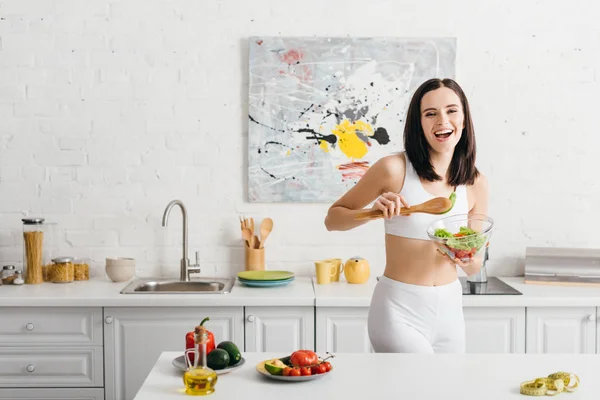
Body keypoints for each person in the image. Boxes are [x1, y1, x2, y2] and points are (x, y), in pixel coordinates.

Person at [324, 78, 489, 353]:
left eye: (451, 110)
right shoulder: (393, 169)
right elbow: (332, 219)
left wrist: (462, 253)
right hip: (398, 310)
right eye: (430, 114)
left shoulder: (475, 182)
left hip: (450, 310)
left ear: (464, 118)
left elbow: (474, 267)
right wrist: (372, 213)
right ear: (419, 123)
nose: (442, 121)